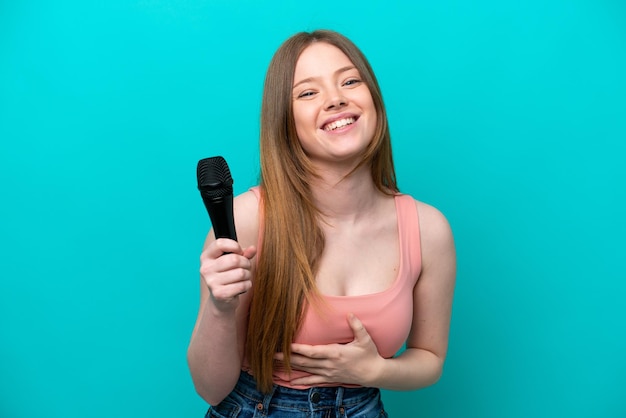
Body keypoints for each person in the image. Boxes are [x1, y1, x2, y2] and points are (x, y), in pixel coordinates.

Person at [187, 29, 456, 417]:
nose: (335, 99)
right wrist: (220, 308)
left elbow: (430, 358)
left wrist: (375, 370)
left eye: (349, 81)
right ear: (285, 120)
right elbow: (210, 389)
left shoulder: (429, 230)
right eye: (308, 93)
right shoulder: (246, 220)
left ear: (374, 98)